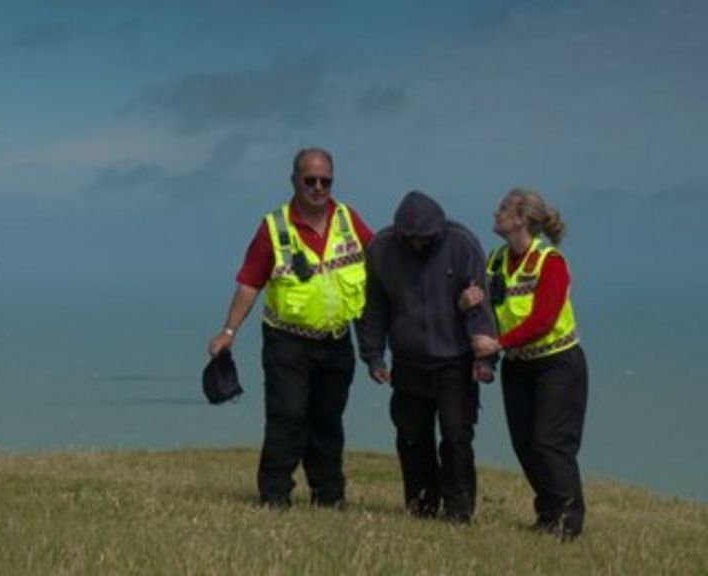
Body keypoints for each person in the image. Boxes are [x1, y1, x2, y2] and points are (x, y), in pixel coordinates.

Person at [207, 147, 373, 508]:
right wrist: (229, 332)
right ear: (294, 180)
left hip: (336, 341)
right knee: (288, 417)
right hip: (287, 343)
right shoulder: (273, 227)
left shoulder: (348, 220)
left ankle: (329, 496)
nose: (318, 187)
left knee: (328, 420)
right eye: (310, 180)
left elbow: (381, 264)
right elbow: (250, 283)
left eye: (325, 180)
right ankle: (274, 495)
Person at [354, 190, 497, 524]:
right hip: (408, 362)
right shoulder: (380, 249)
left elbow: (480, 306)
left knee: (456, 437)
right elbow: (372, 308)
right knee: (412, 437)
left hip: (455, 362)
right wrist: (374, 356)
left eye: (426, 239)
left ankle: (458, 509)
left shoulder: (462, 244)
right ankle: (421, 506)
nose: (418, 245)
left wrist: (485, 360)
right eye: (411, 239)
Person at [467, 188, 589, 540]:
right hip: (519, 366)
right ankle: (548, 512)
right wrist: (468, 304)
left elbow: (544, 319)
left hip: (558, 364)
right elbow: (487, 312)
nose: (496, 212)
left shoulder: (550, 262)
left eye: (503, 208)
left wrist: (499, 343)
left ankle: (568, 522)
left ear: (521, 219)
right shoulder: (494, 260)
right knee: (525, 444)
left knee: (550, 443)